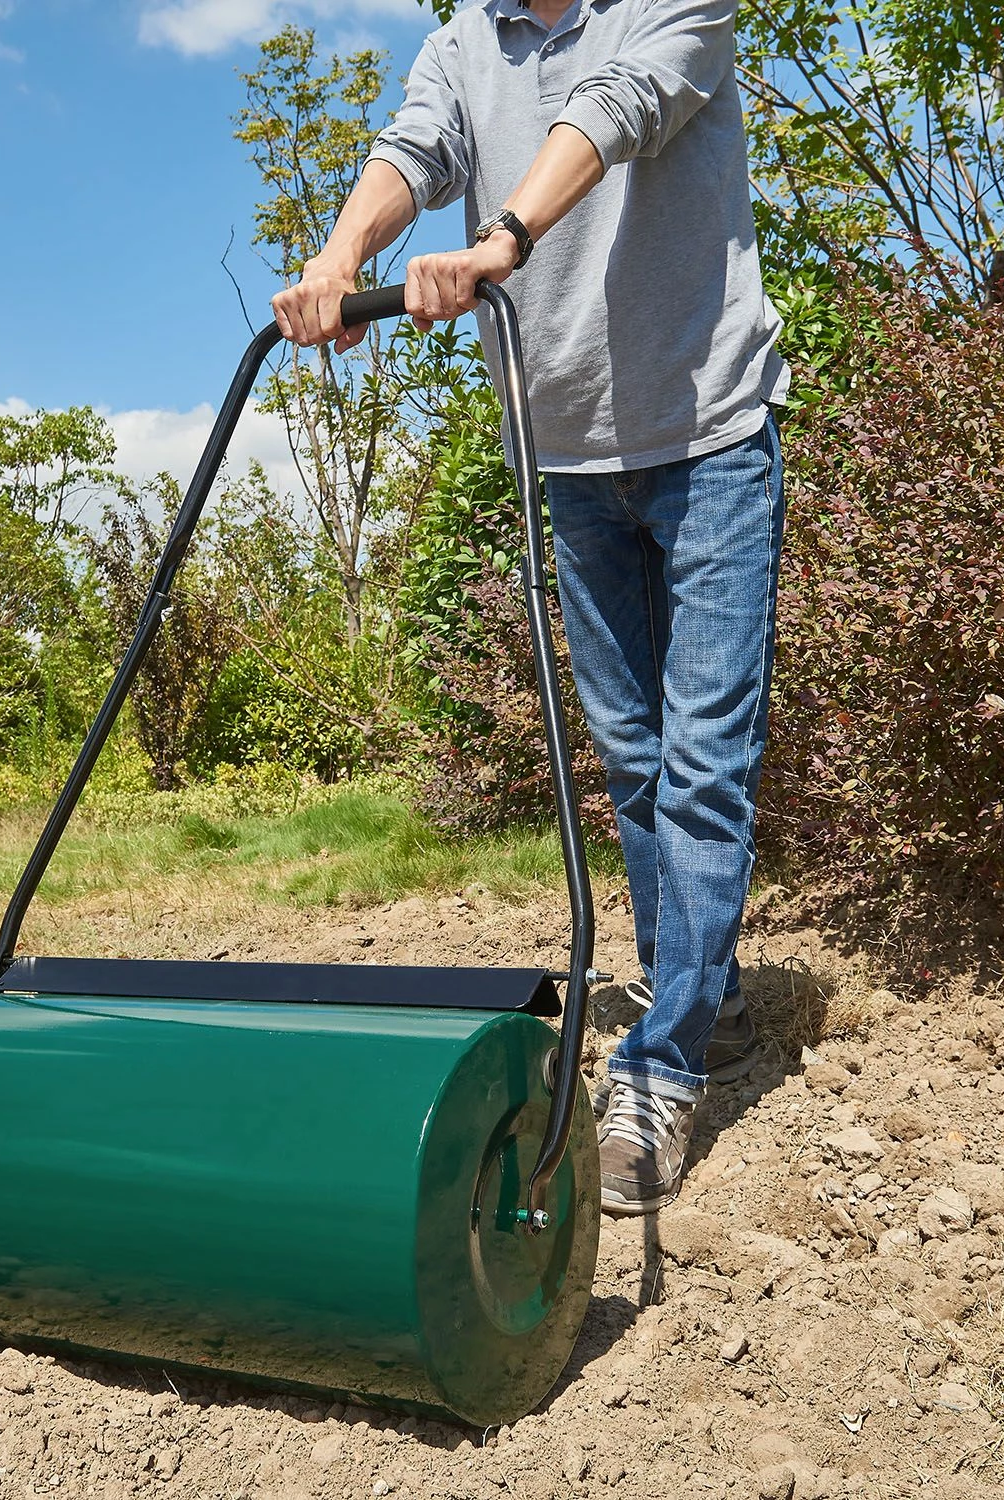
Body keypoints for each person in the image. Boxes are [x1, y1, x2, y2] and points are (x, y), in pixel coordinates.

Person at [272, 0, 788, 1216]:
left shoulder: (674, 4)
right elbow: (414, 149)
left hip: (710, 433)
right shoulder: (463, 40)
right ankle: (694, 995)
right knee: (633, 759)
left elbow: (615, 110)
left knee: (706, 759)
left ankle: (661, 1067)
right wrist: (342, 258)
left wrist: (504, 235)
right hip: (565, 453)